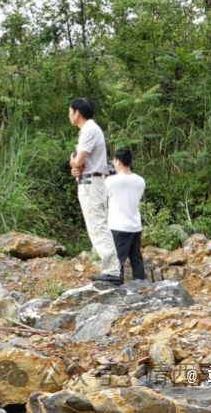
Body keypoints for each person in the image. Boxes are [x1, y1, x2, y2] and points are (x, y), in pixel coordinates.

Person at [68, 98, 122, 285]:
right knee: (97, 226)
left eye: (70, 112)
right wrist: (75, 169)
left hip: (92, 184)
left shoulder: (90, 129)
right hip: (89, 181)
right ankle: (111, 269)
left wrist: (73, 161)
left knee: (98, 226)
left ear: (77, 112)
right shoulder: (88, 130)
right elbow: (81, 165)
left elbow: (78, 161)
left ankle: (112, 270)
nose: (69, 116)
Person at [105, 147, 147, 282]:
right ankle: (141, 284)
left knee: (118, 260)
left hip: (118, 226)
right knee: (136, 258)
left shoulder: (111, 181)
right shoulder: (140, 181)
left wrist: (104, 179)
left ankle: (117, 284)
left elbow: (103, 195)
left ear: (118, 162)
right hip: (135, 225)